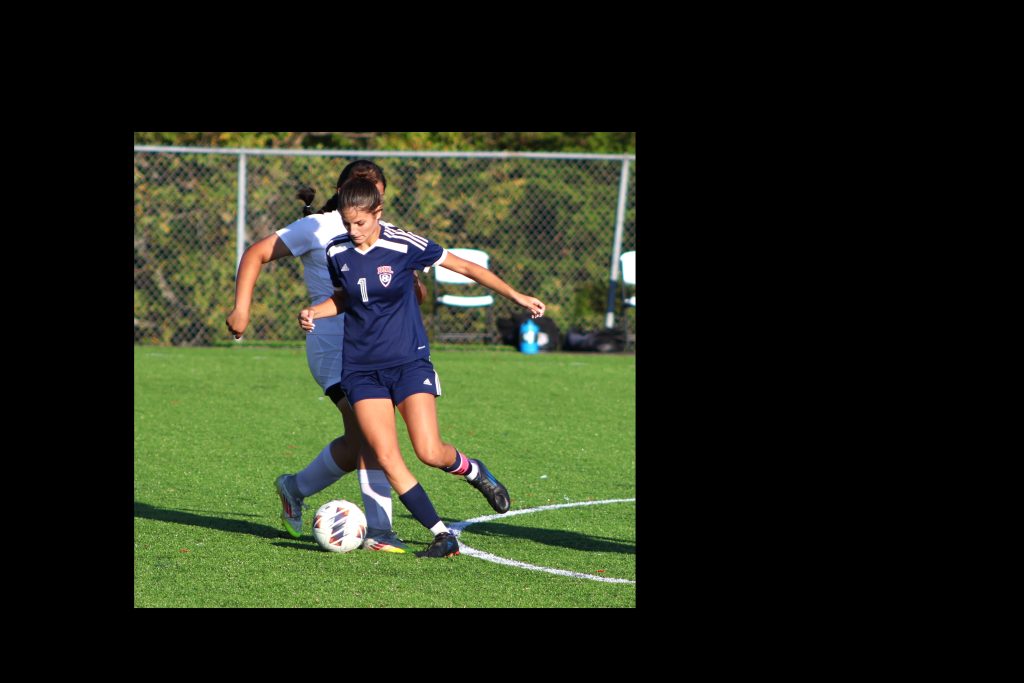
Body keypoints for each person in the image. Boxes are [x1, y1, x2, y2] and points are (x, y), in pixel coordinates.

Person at [298, 178, 546, 558]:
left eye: (360, 223)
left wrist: (517, 296)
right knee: (386, 456)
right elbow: (347, 298)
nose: (353, 230)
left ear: (378, 213)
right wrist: (316, 311)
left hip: (408, 362)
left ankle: (474, 471)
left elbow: (465, 266)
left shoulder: (403, 244)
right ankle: (442, 534)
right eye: (347, 223)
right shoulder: (336, 250)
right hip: (361, 370)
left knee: (429, 451)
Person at [227, 160, 424, 552]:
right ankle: (380, 531)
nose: (368, 194)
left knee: (356, 444)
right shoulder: (316, 227)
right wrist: (241, 309)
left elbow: (413, 294)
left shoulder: (383, 234)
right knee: (371, 437)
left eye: (376, 189)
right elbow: (255, 254)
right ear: (341, 191)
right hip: (333, 347)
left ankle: (294, 487)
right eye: (360, 185)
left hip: (376, 349)